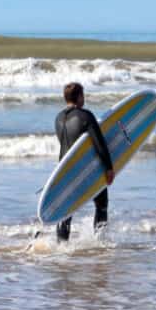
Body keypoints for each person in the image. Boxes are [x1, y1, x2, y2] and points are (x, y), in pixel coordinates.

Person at [54, 82, 114, 241]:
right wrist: (108, 168)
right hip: (87, 169)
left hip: (63, 170)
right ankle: (100, 242)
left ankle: (61, 245)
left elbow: (65, 145)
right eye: (83, 95)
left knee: (66, 212)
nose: (84, 98)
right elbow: (99, 144)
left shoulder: (58, 118)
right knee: (101, 205)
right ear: (79, 96)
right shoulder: (85, 116)